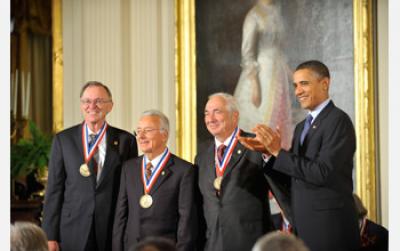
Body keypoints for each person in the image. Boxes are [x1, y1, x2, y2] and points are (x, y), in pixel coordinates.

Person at [239, 60, 360, 251]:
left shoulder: (338, 121)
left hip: (330, 230)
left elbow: (322, 173)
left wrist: (278, 151)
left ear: (325, 84)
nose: (297, 91)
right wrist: (268, 155)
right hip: (304, 227)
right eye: (295, 85)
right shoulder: (301, 127)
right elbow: (295, 177)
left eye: (304, 83)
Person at [42, 81, 138, 251]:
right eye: (87, 101)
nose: (92, 106)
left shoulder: (126, 141)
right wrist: (50, 236)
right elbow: (54, 191)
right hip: (72, 230)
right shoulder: (64, 140)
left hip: (111, 229)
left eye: (99, 101)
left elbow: (129, 191)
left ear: (110, 106)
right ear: (81, 105)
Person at [195, 92, 289, 251]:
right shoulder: (202, 155)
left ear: (235, 116)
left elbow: (282, 187)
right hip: (213, 244)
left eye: (217, 112)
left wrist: (271, 154)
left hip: (251, 242)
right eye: (206, 113)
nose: (210, 119)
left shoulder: (256, 145)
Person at [112, 110, 197, 251]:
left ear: (164, 135)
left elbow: (186, 220)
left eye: (148, 130)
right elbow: (120, 215)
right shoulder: (128, 168)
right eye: (138, 131)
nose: (141, 136)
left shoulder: (184, 170)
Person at [233, 0, 293, 150]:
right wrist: (255, 84)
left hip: (278, 70)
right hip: (262, 73)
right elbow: (247, 53)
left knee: (280, 114)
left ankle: (279, 155)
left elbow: (279, 48)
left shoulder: (276, 12)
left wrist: (291, 73)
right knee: (261, 115)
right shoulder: (253, 15)